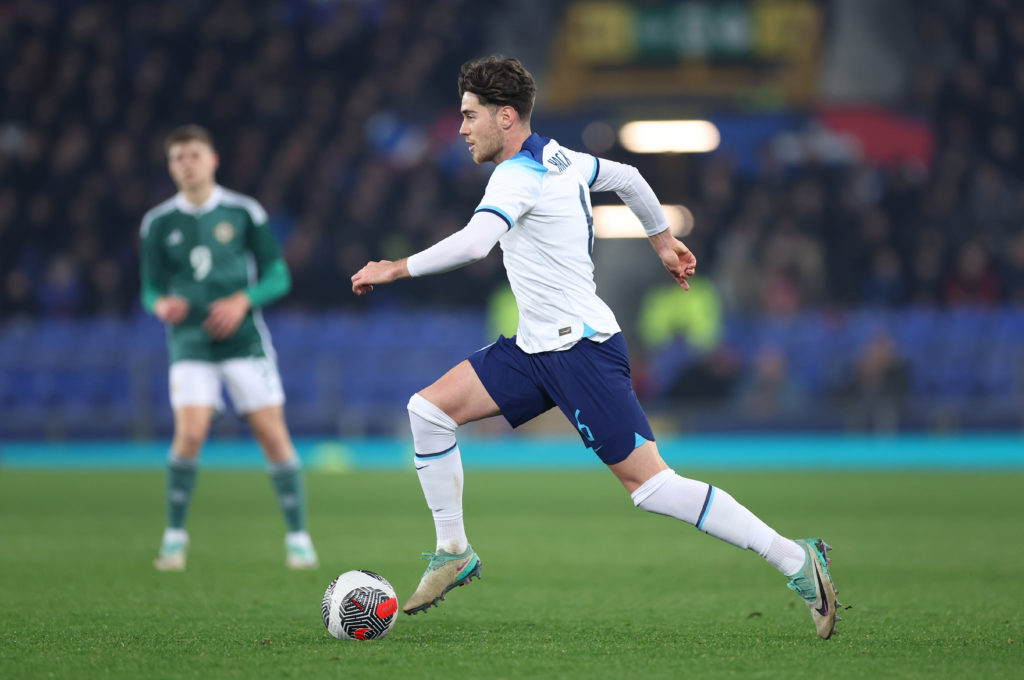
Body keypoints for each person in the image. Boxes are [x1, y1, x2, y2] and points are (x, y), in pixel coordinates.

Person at [351, 57, 842, 638]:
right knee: (428, 410)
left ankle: (796, 559)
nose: (461, 128)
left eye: (469, 115)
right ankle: (453, 550)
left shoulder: (514, 176)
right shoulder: (560, 157)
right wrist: (662, 240)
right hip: (534, 349)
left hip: (580, 352)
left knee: (653, 487)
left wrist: (395, 267)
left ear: (505, 117)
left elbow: (477, 243)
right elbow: (629, 179)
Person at [140, 124, 318, 571]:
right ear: (171, 167)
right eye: (178, 158)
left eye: (194, 155)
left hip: (244, 342)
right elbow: (148, 288)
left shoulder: (243, 212)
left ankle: (298, 537)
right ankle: (175, 538)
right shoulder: (158, 223)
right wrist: (160, 303)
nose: (187, 164)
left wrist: (243, 300)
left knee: (273, 437)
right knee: (192, 433)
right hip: (190, 342)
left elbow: (279, 276)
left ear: (213, 159)